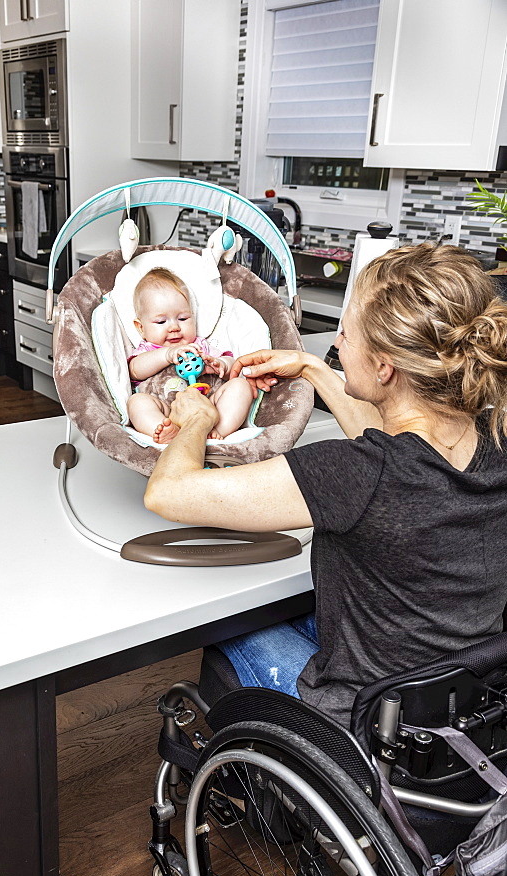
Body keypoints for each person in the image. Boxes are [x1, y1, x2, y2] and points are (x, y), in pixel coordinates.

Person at [143, 242, 507, 727]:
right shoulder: (493, 438)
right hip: (464, 708)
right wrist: (313, 367)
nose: (336, 340)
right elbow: (390, 449)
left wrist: (195, 418)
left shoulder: (352, 472)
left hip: (367, 724)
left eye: (347, 335)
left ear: (384, 367)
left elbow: (168, 493)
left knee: (232, 629)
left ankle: (256, 782)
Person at [126, 267, 253, 444]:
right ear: (141, 327)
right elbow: (135, 371)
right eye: (161, 321)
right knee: (137, 402)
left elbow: (234, 366)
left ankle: (218, 430)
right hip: (167, 411)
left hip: (209, 407)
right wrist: (166, 355)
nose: (174, 327)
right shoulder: (147, 349)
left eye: (183, 318)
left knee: (240, 386)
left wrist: (220, 364)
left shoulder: (199, 345)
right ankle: (166, 431)